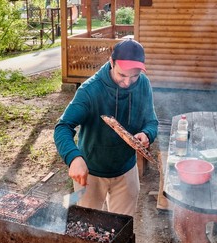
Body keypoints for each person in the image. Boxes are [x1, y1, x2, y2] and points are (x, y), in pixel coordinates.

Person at [53, 39, 158, 217]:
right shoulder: (90, 91)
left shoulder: (143, 84)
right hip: (91, 172)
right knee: (88, 227)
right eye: (122, 75)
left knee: (122, 227)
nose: (128, 82)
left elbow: (151, 121)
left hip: (126, 170)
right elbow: (63, 127)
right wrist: (74, 158)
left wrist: (147, 134)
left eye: (134, 76)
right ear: (111, 63)